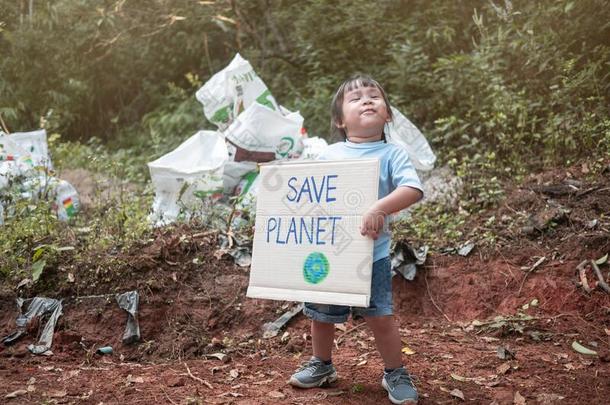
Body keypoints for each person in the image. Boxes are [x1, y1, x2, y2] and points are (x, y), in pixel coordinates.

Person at [288, 74, 424, 405]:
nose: (366, 101)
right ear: (339, 119)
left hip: (371, 254)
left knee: (380, 315)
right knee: (320, 313)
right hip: (328, 254)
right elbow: (308, 197)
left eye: (374, 97)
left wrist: (380, 207)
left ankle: (394, 371)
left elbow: (412, 189)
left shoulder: (392, 154)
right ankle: (322, 365)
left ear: (387, 114)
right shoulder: (328, 154)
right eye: (356, 98)